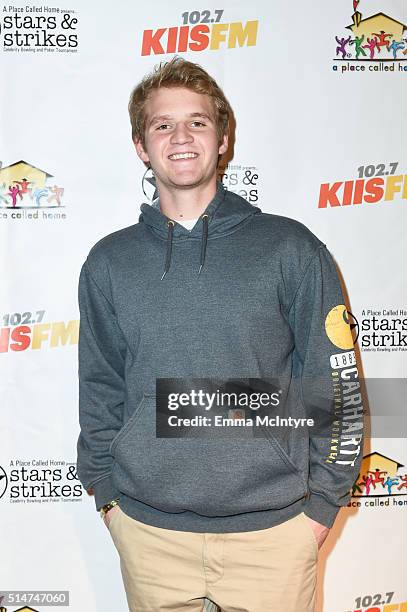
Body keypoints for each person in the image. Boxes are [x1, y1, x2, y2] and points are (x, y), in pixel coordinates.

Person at [76, 56, 364, 611]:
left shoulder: (290, 250)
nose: (180, 137)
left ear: (224, 138)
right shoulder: (108, 263)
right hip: (149, 535)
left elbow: (337, 387)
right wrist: (107, 497)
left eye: (198, 122)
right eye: (163, 125)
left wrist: (323, 505)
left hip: (275, 538)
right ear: (141, 144)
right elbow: (100, 388)